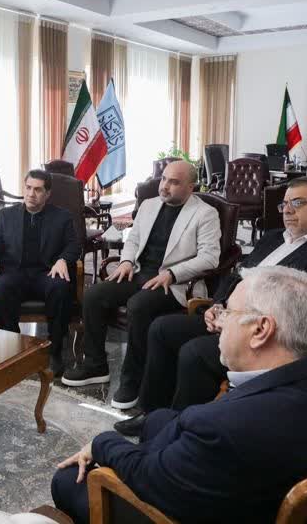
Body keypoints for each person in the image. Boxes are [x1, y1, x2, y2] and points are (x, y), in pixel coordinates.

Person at [52, 266, 307, 524]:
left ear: (260, 330)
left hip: (210, 503)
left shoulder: (223, 427)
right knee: (159, 419)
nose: (219, 322)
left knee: (67, 480)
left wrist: (102, 444)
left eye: (228, 312)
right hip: (283, 486)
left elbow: (148, 475)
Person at [115, 176, 307, 437]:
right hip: (232, 318)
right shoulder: (273, 238)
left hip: (268, 338)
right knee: (162, 328)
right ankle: (152, 413)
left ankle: (181, 429)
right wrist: (218, 306)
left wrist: (243, 320)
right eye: (284, 204)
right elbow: (235, 277)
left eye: (297, 203)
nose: (287, 210)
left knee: (195, 352)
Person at [61, 161, 220, 411]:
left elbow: (210, 257)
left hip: (175, 284)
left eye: (174, 182)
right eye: (164, 179)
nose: (164, 186)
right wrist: (126, 261)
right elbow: (133, 240)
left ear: (191, 187)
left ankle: (132, 380)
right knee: (94, 295)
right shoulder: (148, 205)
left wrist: (172, 274)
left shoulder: (205, 213)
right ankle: (95, 365)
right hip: (137, 273)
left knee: (139, 305)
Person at [0, 169, 81, 376]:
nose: (31, 194)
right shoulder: (6, 215)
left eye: (37, 190)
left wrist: (63, 259)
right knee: (3, 287)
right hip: (15, 272)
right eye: (28, 188)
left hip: (47, 272)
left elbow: (74, 246)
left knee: (60, 288)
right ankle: (12, 346)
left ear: (47, 194)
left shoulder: (62, 217)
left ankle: (54, 350)